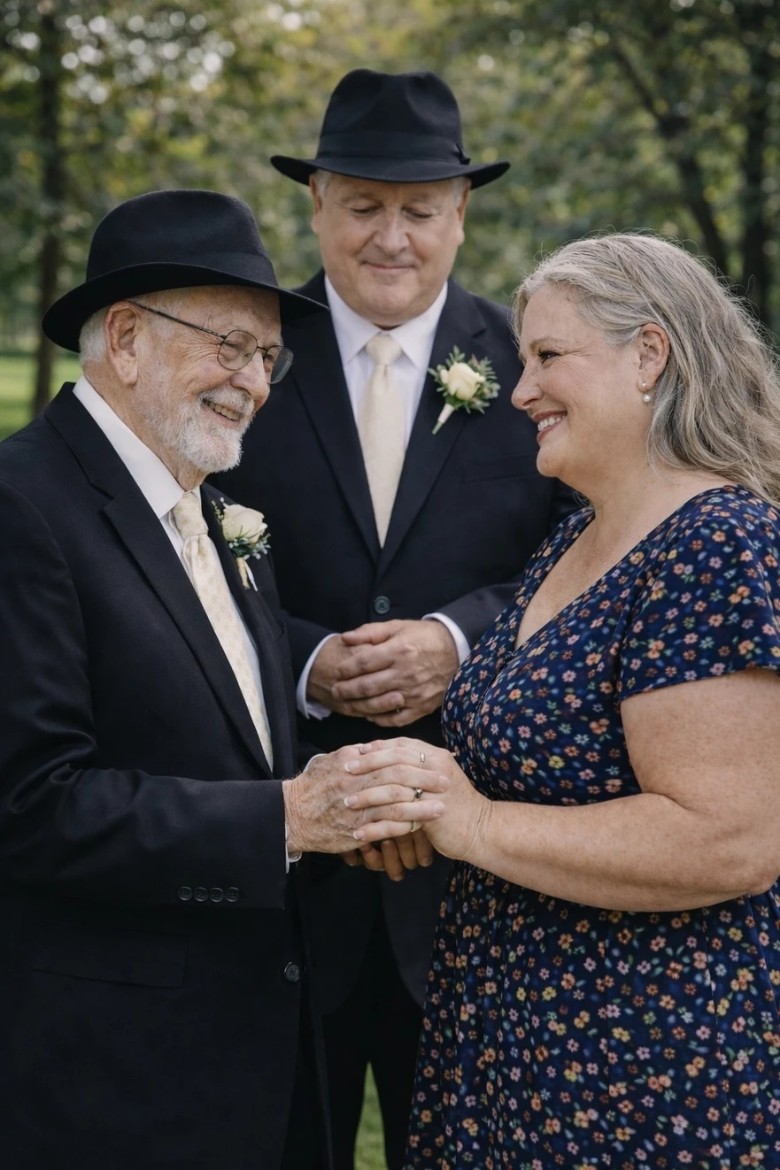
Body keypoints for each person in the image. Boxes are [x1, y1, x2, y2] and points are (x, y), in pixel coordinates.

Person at [0, 188, 445, 1170]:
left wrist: (358, 808)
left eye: (268, 359)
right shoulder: (22, 506)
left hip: (259, 1057)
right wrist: (287, 818)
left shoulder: (217, 510)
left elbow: (218, 714)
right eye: (230, 348)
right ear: (125, 337)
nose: (255, 383)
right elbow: (28, 806)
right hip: (113, 1085)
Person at [347, 232, 780, 1167]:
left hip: (640, 1068)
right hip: (508, 1044)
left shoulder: (716, 545)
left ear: (649, 356)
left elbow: (728, 841)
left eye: (548, 357)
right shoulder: (579, 536)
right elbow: (552, 768)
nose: (520, 391)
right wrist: (418, 792)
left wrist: (474, 824)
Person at [214, 69, 574, 1170]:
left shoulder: (539, 366)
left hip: (481, 876)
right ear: (315, 203)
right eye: (363, 205)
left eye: (420, 210)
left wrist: (458, 639)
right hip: (275, 870)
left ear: (462, 214)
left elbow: (589, 560)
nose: (392, 237)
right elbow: (165, 565)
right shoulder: (238, 358)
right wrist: (309, 660)